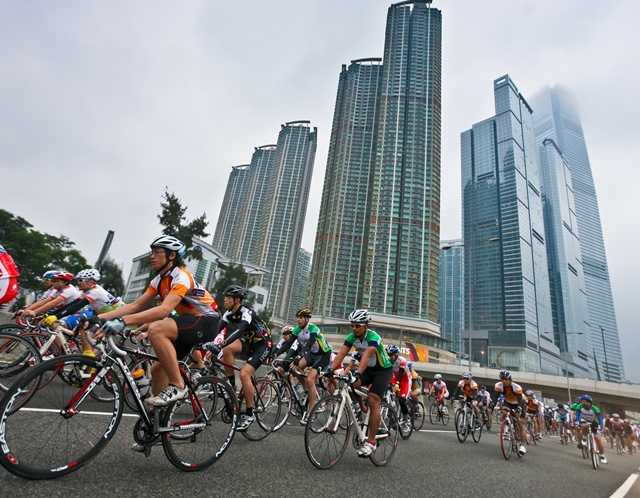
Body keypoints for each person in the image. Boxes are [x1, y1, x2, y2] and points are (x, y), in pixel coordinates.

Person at [98, 235, 219, 410]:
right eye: (151, 252)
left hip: (207, 320)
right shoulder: (159, 280)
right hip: (190, 322)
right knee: (157, 370)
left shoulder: (181, 277)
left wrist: (122, 321)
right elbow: (135, 305)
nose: (152, 256)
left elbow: (164, 310)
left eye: (157, 252)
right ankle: (159, 420)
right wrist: (100, 318)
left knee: (156, 329)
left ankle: (178, 385)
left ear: (171, 256)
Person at [326, 309, 393, 457]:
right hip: (368, 369)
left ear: (366, 325)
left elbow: (368, 355)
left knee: (373, 399)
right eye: (352, 325)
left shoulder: (373, 337)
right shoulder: (351, 337)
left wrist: (357, 373)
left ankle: (370, 443)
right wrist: (330, 370)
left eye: (357, 325)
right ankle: (361, 407)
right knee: (349, 385)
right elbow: (341, 354)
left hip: (382, 370)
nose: (354, 328)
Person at [207, 285, 272, 431]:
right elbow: (215, 330)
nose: (225, 300)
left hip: (263, 345)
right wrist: (203, 342)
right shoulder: (228, 314)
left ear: (237, 300)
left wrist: (220, 344)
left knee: (244, 374)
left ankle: (249, 414)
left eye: (228, 297)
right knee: (227, 348)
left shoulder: (246, 312)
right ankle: (231, 383)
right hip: (249, 344)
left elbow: (239, 331)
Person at [269, 309, 331, 424]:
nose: (298, 319)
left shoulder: (313, 329)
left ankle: (310, 412)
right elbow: (288, 344)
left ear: (307, 319)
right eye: (297, 317)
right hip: (312, 355)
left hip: (323, 355)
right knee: (297, 368)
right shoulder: (297, 330)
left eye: (301, 317)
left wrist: (298, 358)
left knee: (310, 378)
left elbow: (309, 345)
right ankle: (307, 390)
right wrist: (274, 354)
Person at [43, 269, 124, 356]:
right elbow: (70, 305)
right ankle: (90, 360)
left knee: (85, 326)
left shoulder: (95, 292)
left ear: (91, 282)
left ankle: (88, 356)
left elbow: (77, 307)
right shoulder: (86, 292)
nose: (78, 283)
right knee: (85, 331)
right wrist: (51, 315)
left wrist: (56, 317)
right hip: (105, 316)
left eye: (80, 280)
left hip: (117, 317)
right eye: (78, 280)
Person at [492, 370, 527, 456]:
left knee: (520, 423)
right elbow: (495, 398)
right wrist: (491, 407)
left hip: (519, 403)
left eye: (506, 379)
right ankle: (506, 430)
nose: (504, 381)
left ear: (510, 379)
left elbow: (519, 401)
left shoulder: (516, 387)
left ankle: (522, 445)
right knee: (504, 412)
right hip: (508, 402)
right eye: (502, 379)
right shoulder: (498, 386)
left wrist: (519, 410)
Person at [574, 394, 607, 464]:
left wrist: (601, 426)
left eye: (585, 401)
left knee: (598, 439)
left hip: (593, 423)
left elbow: (600, 418)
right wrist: (576, 422)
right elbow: (577, 415)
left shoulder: (594, 408)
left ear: (590, 402)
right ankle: (584, 438)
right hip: (583, 421)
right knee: (585, 425)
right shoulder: (579, 406)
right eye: (582, 401)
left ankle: (602, 455)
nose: (583, 403)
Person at [387, 344, 412, 430]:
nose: (390, 357)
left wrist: (397, 383)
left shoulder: (402, 360)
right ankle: (391, 410)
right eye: (388, 355)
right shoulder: (388, 360)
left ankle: (406, 422)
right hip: (395, 378)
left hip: (405, 380)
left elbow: (401, 373)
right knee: (387, 393)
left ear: (396, 354)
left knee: (402, 401)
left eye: (391, 355)